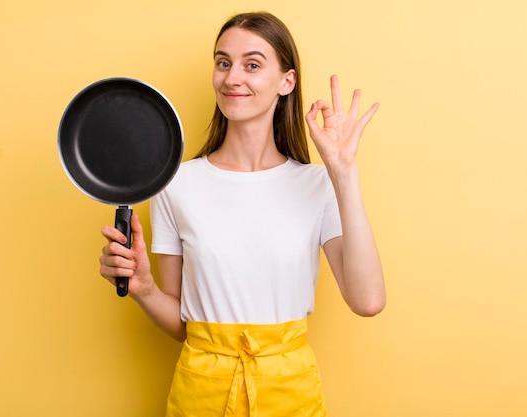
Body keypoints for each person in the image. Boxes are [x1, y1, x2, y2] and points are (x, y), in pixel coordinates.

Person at [99, 11, 385, 417]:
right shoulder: (176, 184)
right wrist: (144, 287)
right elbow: (183, 328)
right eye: (223, 62)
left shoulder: (317, 185)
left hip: (290, 395)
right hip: (201, 393)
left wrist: (343, 172)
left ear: (287, 82)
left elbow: (368, 300)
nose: (232, 78)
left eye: (252, 64)